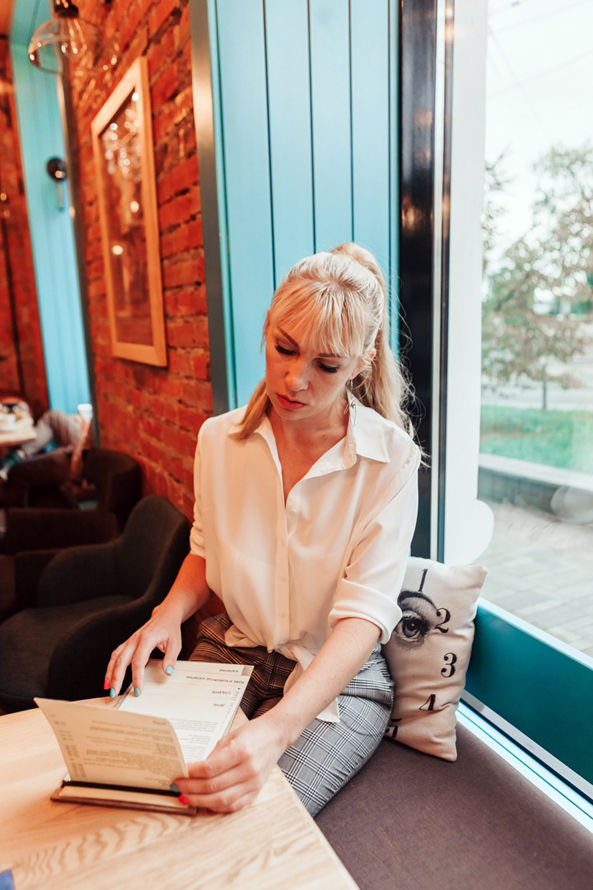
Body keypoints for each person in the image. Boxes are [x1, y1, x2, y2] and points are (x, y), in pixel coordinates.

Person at [105, 244, 421, 816]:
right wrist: (166, 615)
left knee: (256, 819)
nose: (295, 380)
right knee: (160, 790)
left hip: (338, 679)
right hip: (235, 648)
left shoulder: (390, 461)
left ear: (363, 361)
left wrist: (278, 729)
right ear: (269, 327)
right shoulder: (218, 440)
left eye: (327, 366)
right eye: (285, 348)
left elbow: (363, 617)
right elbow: (205, 549)